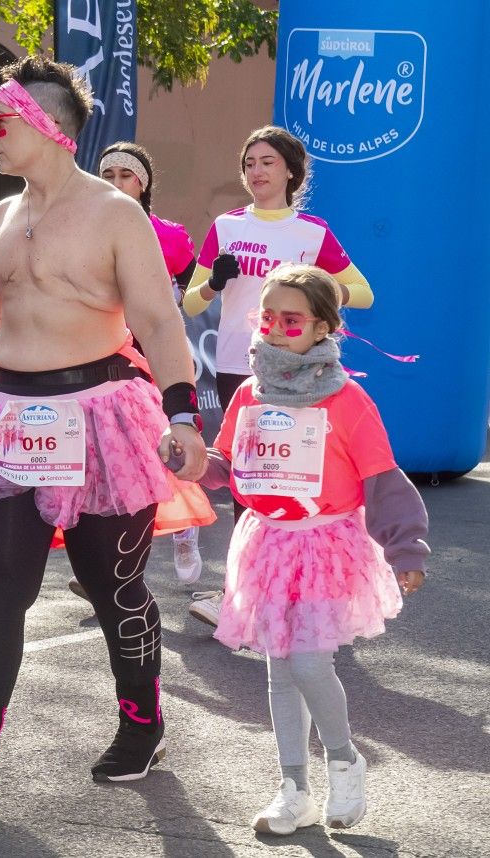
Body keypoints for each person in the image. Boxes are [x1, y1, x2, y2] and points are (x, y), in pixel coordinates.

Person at [0, 57, 207, 818]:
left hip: (99, 418)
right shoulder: (3, 215)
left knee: (112, 587)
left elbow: (158, 321)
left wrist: (183, 417)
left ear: (45, 127)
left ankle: (142, 725)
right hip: (7, 419)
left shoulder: (115, 213)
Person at [189, 263, 427, 834]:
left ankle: (344, 760)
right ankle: (293, 787)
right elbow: (228, 464)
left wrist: (407, 549)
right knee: (278, 667)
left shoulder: (347, 400)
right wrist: (196, 462)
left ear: (323, 328)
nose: (273, 329)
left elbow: (382, 479)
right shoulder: (249, 391)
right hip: (267, 541)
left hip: (325, 544)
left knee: (308, 662)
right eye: (266, 317)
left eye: (289, 320)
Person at [181, 125, 373, 628]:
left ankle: (306, 591)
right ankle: (242, 594)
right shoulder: (225, 225)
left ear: (290, 170)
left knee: (297, 476)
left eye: (267, 162)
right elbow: (190, 300)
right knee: (251, 476)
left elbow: (364, 292)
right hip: (238, 367)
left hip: (303, 372)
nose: (256, 171)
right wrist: (214, 283)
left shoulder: (311, 232)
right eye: (249, 163)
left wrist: (318, 290)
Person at [97, 141, 203, 584]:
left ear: (143, 184)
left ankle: (186, 532)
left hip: (155, 356)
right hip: (105, 356)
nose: (118, 184)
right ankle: (105, 561)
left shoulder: (170, 236)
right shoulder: (86, 227)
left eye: (127, 176)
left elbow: (190, 299)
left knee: (175, 444)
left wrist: (201, 286)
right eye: (108, 177)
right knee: (112, 459)